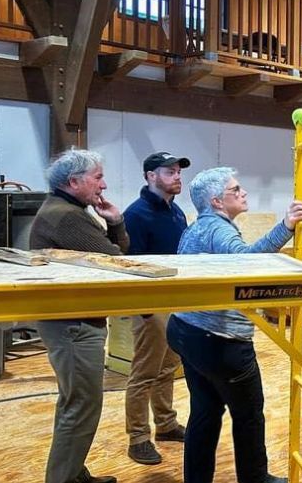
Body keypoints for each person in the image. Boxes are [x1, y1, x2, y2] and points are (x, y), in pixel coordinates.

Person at [165, 167, 302, 483]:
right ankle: (255, 479)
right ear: (217, 201)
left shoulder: (196, 229)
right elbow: (248, 261)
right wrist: (286, 226)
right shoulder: (219, 230)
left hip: (186, 331)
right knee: (248, 415)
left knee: (205, 412)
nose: (243, 193)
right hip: (219, 341)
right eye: (236, 189)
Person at [29, 149, 129, 483]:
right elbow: (116, 261)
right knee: (81, 405)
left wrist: (111, 224)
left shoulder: (66, 209)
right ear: (74, 182)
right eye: (98, 176)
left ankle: (73, 473)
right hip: (73, 326)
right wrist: (115, 223)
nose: (104, 184)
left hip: (72, 322)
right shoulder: (67, 216)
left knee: (76, 402)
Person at [122, 152, 191, 465]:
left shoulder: (176, 213)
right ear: (151, 176)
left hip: (175, 302)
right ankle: (138, 438)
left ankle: (165, 424)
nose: (177, 177)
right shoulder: (135, 215)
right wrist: (145, 309)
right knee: (144, 372)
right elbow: (131, 264)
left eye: (178, 172)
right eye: (170, 172)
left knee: (167, 367)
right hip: (151, 305)